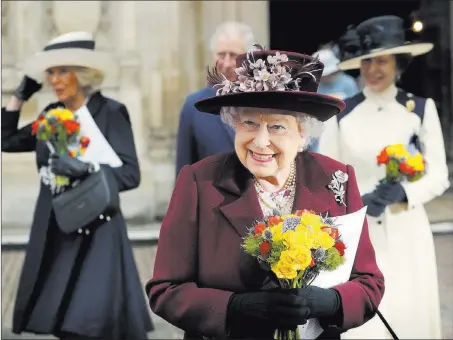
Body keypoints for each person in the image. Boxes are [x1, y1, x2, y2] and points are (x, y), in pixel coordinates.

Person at [146, 46, 385, 340]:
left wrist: (331, 302)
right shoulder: (199, 182)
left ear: (302, 135)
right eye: (249, 123)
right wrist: (235, 308)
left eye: (276, 127)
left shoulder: (336, 179)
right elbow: (165, 290)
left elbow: (369, 283)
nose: (260, 141)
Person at [2, 31, 154, 340]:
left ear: (82, 74)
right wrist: (18, 97)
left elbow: (130, 174)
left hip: (99, 229)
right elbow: (5, 140)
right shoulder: (50, 116)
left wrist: (87, 168)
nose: (54, 79)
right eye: (50, 72)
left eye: (62, 71)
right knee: (64, 322)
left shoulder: (111, 112)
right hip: (57, 227)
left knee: (90, 324)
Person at [318, 16, 450, 339]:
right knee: (368, 324)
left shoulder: (419, 109)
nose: (373, 69)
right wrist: (353, 203)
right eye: (367, 62)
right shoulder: (341, 113)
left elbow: (440, 176)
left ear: (398, 64)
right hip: (360, 230)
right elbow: (325, 175)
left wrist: (405, 193)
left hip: (407, 232)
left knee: (409, 314)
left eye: (381, 61)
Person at [175, 21, 256, 177]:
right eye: (221, 55)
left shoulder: (265, 102)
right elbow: (183, 172)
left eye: (233, 55)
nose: (226, 63)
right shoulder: (194, 106)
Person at [308, 48, 359, 152]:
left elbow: (356, 110)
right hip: (318, 130)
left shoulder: (348, 83)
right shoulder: (313, 85)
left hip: (342, 128)